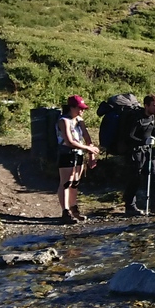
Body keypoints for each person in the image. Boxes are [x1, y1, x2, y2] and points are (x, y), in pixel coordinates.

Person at [122, 94, 155, 216]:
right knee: (135, 178)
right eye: (154, 106)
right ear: (146, 106)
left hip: (148, 150)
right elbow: (128, 136)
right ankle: (130, 206)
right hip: (135, 151)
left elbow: (153, 131)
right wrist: (143, 141)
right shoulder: (136, 118)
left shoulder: (152, 117)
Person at [56, 95, 99, 224]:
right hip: (66, 153)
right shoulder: (63, 121)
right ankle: (65, 211)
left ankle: (74, 208)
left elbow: (87, 137)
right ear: (72, 107)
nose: (82, 111)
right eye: (80, 108)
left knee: (75, 182)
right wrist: (88, 149)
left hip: (79, 153)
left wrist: (91, 155)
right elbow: (69, 141)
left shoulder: (79, 120)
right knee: (66, 182)